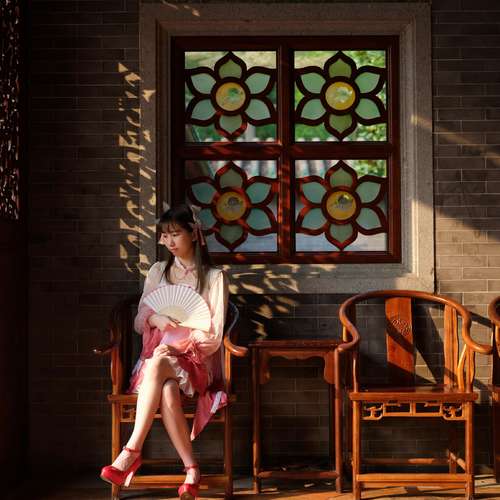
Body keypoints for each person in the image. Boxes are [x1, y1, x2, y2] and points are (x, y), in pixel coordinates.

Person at [100, 204, 229, 500]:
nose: (169, 241)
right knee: (167, 385)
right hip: (158, 362)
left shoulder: (214, 277)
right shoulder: (159, 271)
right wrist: (155, 318)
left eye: (176, 234)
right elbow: (139, 322)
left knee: (160, 362)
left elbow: (213, 336)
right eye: (165, 235)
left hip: (195, 361)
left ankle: (131, 451)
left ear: (193, 234)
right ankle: (192, 470)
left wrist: (178, 346)